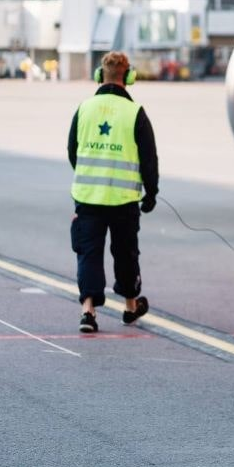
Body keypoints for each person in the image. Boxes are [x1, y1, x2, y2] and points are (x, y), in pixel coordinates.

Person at [68, 51, 158, 333]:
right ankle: (130, 308)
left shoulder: (84, 108)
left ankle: (88, 312)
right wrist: (151, 193)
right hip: (123, 200)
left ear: (99, 75)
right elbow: (149, 159)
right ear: (129, 76)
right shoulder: (135, 113)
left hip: (88, 197)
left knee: (88, 253)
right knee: (126, 253)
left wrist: (90, 175)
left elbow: (73, 151)